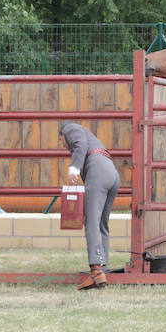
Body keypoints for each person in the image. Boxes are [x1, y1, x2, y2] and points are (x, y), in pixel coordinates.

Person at [59, 122, 120, 290]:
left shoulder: (70, 128)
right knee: (101, 224)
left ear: (62, 136)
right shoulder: (91, 138)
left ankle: (96, 270)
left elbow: (79, 143)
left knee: (92, 222)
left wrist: (74, 168)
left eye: (61, 142)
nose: (64, 146)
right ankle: (103, 267)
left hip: (98, 171)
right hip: (112, 174)